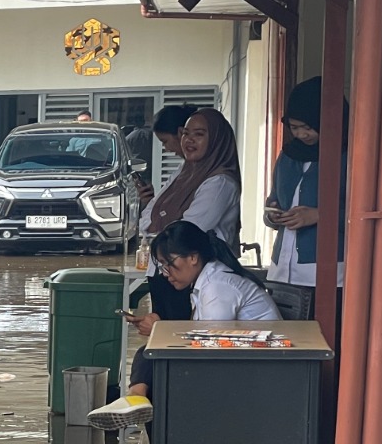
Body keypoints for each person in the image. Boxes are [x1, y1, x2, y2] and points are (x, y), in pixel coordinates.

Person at [88, 220, 281, 444]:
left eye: (169, 264)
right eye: (162, 266)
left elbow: (206, 347)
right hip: (243, 365)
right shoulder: (206, 281)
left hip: (258, 375)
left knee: (158, 378)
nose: (166, 274)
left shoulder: (217, 286)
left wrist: (162, 329)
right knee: (151, 357)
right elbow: (202, 339)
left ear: (193, 257)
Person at [136, 108, 242, 322]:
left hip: (194, 276)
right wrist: (158, 223)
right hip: (169, 272)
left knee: (180, 340)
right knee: (163, 339)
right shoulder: (184, 172)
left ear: (217, 140)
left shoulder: (219, 183)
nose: (189, 140)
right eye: (185, 133)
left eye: (199, 134)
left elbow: (187, 232)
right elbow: (147, 218)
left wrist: (159, 225)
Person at [267, 76, 347, 295]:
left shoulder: (348, 158)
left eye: (308, 127)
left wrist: (319, 215)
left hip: (326, 271)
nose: (301, 134)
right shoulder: (288, 156)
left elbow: (361, 215)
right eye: (294, 127)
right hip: (281, 269)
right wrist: (272, 214)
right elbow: (274, 198)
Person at [133, 104, 198, 208]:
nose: (166, 148)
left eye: (165, 141)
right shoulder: (183, 170)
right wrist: (151, 201)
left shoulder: (214, 180)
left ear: (181, 133)